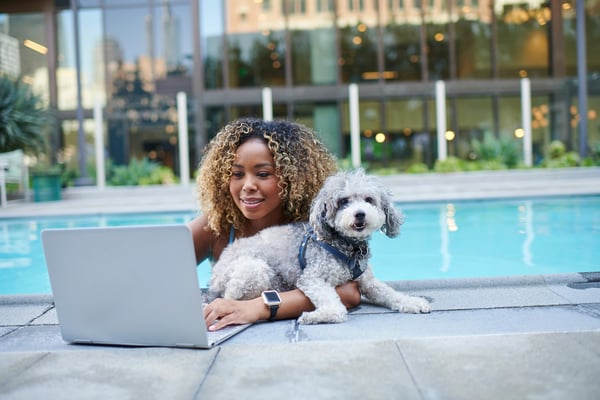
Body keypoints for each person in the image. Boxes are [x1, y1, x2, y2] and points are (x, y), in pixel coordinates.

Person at [188, 117, 361, 330]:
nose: (248, 185)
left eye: (263, 174)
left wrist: (259, 307)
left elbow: (349, 292)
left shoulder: (317, 229)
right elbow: (151, 266)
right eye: (237, 174)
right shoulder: (217, 225)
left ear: (293, 178)